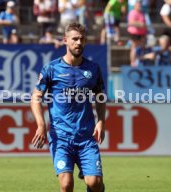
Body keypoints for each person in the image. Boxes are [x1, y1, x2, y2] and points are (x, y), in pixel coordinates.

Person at [31, 22, 106, 192]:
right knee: (66, 185)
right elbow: (36, 97)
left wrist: (101, 121)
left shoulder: (93, 69)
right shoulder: (51, 68)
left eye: (82, 39)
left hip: (86, 136)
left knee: (94, 183)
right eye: (75, 39)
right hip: (61, 136)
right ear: (65, 40)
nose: (79, 43)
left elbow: (100, 97)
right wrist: (41, 125)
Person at [127, 0, 147, 66]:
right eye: (138, 5)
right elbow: (131, 22)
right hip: (135, 33)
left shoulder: (142, 13)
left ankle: (140, 61)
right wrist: (140, 24)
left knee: (141, 48)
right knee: (134, 48)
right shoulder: (132, 12)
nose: (140, 6)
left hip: (141, 33)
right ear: (135, 6)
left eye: (140, 5)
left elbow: (144, 23)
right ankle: (133, 63)